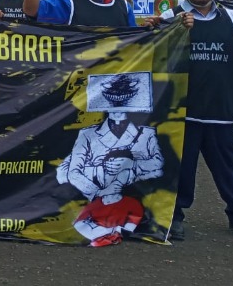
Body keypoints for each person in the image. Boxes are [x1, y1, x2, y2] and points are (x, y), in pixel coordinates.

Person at [155, 0, 233, 240]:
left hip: (221, 110)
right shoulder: (171, 18)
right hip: (182, 111)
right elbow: (152, 54)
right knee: (182, 168)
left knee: (226, 167)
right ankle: (174, 216)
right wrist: (166, 30)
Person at [57, 73, 164, 247]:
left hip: (131, 195)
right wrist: (98, 187)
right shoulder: (87, 134)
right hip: (95, 195)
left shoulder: (145, 134)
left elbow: (158, 163)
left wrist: (131, 167)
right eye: (113, 103)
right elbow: (73, 171)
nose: (118, 108)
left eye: (123, 103)